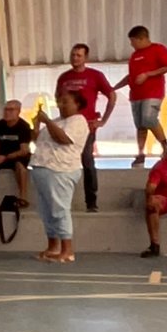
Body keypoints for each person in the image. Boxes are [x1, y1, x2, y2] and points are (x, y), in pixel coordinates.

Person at [55, 43, 115, 211]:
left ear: (85, 58)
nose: (75, 58)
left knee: (87, 160)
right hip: (67, 126)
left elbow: (112, 96)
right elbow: (58, 98)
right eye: (73, 55)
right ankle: (62, 200)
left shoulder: (95, 76)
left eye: (79, 55)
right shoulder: (64, 77)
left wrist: (103, 121)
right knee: (63, 161)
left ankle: (91, 201)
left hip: (87, 126)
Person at [29, 96, 89, 262]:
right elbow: (37, 140)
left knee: (60, 210)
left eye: (65, 102)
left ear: (77, 103)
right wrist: (37, 124)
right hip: (42, 167)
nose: (61, 105)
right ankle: (53, 246)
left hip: (61, 170)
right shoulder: (57, 121)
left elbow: (63, 138)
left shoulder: (78, 121)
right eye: (60, 102)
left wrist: (47, 121)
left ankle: (67, 250)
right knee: (46, 211)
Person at [116, 26, 167, 169]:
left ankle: (165, 147)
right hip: (136, 95)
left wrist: (148, 74)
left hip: (153, 93)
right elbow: (131, 76)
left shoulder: (158, 49)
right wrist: (114, 88)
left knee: (149, 118)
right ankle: (140, 153)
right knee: (140, 125)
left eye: (133, 41)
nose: (131, 44)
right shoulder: (134, 56)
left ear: (142, 39)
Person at [0, 99, 32, 208]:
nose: (7, 112)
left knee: (21, 167)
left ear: (18, 111)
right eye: (6, 110)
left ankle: (23, 197)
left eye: (11, 110)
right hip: (1, 155)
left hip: (17, 155)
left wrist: (6, 157)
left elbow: (24, 150)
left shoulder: (24, 126)